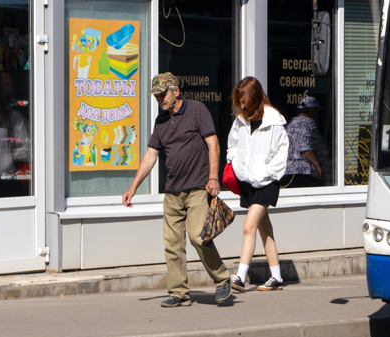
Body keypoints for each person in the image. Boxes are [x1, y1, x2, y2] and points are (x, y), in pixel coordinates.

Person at [122, 73, 233, 307]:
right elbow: (151, 156)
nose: (160, 99)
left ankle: (222, 278)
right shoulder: (161, 121)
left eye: (163, 94)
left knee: (198, 237)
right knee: (172, 244)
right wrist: (133, 187)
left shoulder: (197, 110)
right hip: (172, 192)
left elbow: (213, 144)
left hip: (197, 188)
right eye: (157, 96)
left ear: (176, 91)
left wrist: (214, 177)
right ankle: (179, 293)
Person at [226, 77, 290, 292]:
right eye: (239, 99)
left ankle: (240, 277)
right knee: (265, 229)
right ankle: (277, 277)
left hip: (267, 182)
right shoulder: (241, 120)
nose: (242, 104)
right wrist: (236, 163)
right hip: (249, 180)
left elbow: (283, 152)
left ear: (254, 96)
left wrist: (268, 172)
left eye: (244, 99)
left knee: (248, 226)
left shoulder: (274, 121)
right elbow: (233, 145)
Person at [284, 95, 332, 188]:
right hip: (305, 173)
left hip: (289, 172)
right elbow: (304, 148)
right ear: (312, 110)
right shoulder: (309, 124)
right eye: (317, 110)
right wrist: (317, 166)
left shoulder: (291, 124)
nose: (318, 114)